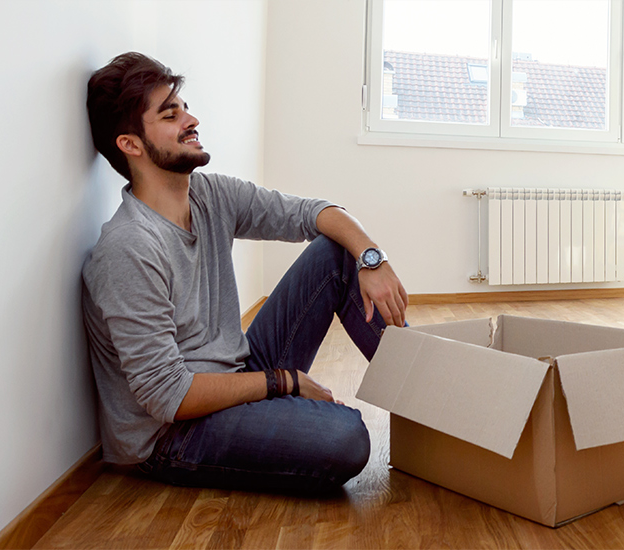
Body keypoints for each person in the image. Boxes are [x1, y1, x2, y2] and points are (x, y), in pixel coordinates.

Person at [81, 52, 408, 493]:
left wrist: (373, 258)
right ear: (131, 145)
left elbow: (314, 213)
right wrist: (285, 383)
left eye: (185, 106)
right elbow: (168, 397)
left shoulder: (211, 195)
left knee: (338, 251)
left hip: (237, 373)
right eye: (170, 114)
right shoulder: (129, 248)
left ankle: (428, 400)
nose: (191, 120)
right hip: (173, 433)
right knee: (345, 437)